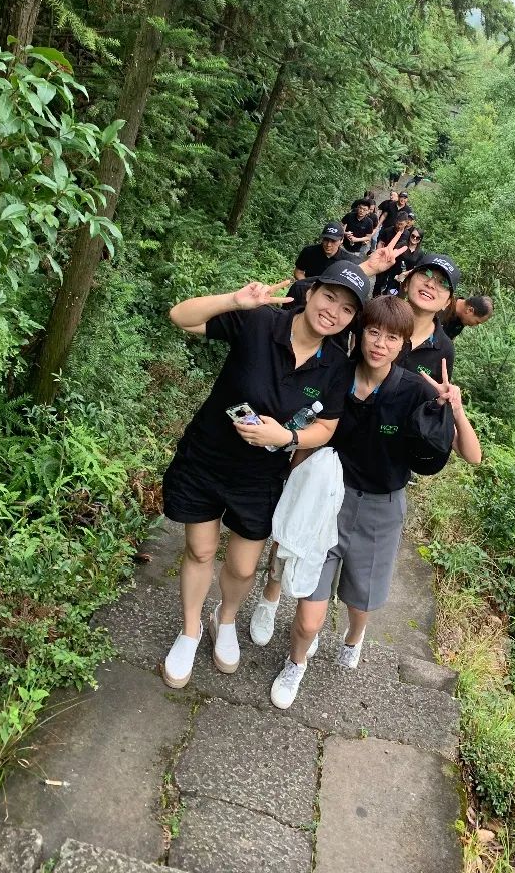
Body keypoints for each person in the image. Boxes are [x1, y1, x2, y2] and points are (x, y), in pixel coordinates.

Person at [159, 262, 368, 689]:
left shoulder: (336, 366)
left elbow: (326, 426)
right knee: (200, 550)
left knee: (242, 566)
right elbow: (180, 316)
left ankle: (225, 619)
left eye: (347, 309)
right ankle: (190, 630)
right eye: (329, 297)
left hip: (262, 476)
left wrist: (287, 436)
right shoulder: (259, 323)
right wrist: (234, 301)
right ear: (311, 292)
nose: (333, 312)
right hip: (207, 458)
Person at [269, 296, 456, 708]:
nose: (380, 344)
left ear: (404, 344)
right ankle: (295, 662)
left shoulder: (413, 391)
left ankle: (354, 637)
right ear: (359, 333)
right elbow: (310, 429)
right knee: (309, 615)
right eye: (373, 332)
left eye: (392, 338)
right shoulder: (337, 375)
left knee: (360, 598)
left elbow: (458, 455)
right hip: (327, 502)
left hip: (380, 509)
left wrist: (448, 410)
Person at [396, 253, 460, 380]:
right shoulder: (379, 318)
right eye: (425, 273)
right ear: (407, 283)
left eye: (442, 282)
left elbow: (437, 389)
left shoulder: (444, 350)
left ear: (447, 302)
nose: (430, 284)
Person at [373, 220, 420, 297]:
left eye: (417, 238)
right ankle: (375, 298)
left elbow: (417, 267)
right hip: (392, 272)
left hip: (404, 277)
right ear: (410, 235)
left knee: (397, 296)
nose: (414, 238)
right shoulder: (402, 244)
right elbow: (393, 252)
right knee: (383, 288)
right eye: (413, 236)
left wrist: (406, 274)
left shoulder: (420, 253)